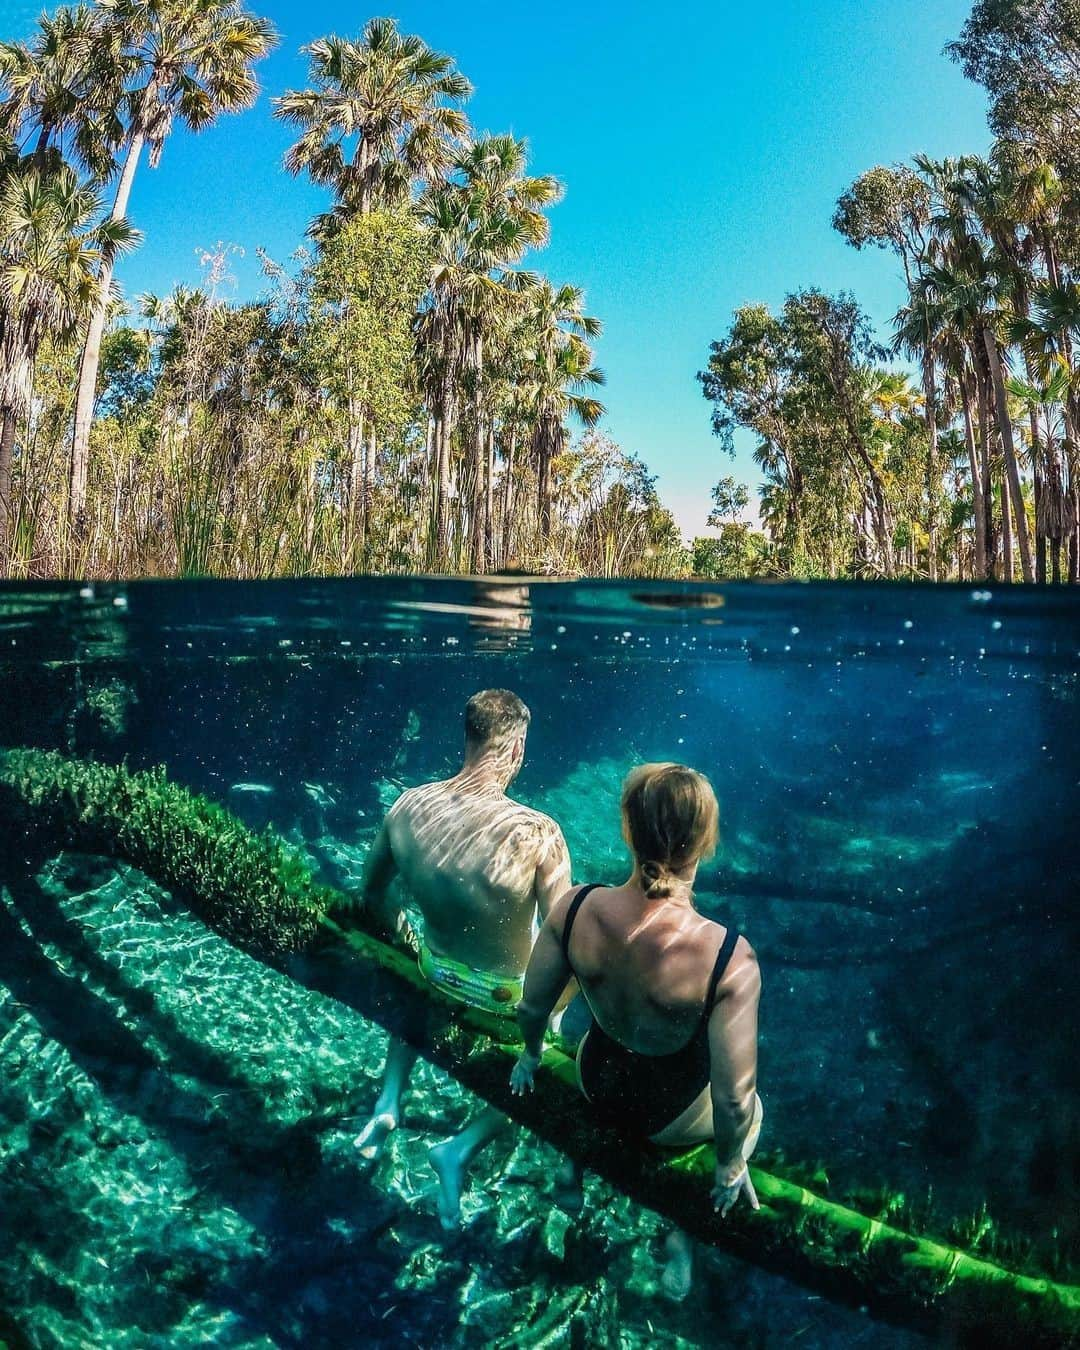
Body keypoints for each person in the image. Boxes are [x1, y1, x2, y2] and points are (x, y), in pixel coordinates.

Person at [510, 762, 762, 1299]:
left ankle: (570, 1174)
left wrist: (530, 1057)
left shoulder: (576, 906)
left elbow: (531, 1008)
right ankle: (680, 1232)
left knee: (595, 1055)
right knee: (756, 1109)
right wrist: (728, 1163)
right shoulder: (727, 956)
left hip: (596, 1080)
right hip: (668, 1118)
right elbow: (734, 1099)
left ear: (628, 830)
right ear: (706, 842)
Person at [354, 688, 572, 1229]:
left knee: (417, 977)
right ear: (516, 749)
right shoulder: (538, 832)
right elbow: (565, 941)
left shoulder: (408, 806)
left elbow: (373, 896)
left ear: (468, 737)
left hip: (433, 972)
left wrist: (406, 939)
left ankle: (388, 1100)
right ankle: (458, 1149)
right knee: (547, 1050)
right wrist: (554, 1010)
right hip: (503, 998)